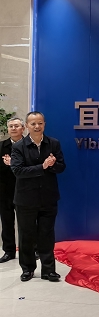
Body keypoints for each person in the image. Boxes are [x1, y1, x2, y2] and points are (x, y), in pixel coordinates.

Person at [11, 111, 66, 282]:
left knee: (47, 235)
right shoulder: (19, 146)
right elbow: (18, 171)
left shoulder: (53, 143)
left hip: (48, 197)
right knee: (26, 235)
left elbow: (62, 167)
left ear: (44, 124)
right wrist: (42, 167)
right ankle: (27, 269)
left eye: (40, 123)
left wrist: (53, 165)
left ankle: (48, 270)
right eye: (33, 123)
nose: (37, 126)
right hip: (25, 199)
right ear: (26, 126)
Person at [0, 117, 25, 263]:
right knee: (7, 222)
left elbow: (31, 165)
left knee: (26, 223)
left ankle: (29, 250)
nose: (13, 129)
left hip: (24, 189)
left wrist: (13, 163)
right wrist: (7, 165)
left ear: (23, 128)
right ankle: (9, 251)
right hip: (5, 190)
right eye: (11, 126)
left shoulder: (29, 145)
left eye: (16, 126)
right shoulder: (1, 146)